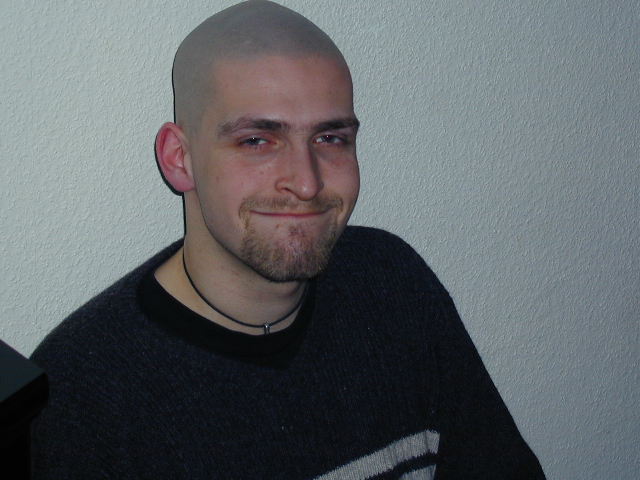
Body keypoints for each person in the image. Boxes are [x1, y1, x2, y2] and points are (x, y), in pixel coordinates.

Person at [30, 1, 545, 478]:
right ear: (179, 159)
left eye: (330, 138)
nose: (306, 182)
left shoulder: (391, 283)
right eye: (257, 140)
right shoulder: (82, 390)